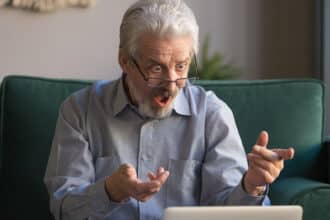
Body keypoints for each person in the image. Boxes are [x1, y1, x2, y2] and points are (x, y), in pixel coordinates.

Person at [44, 0, 295, 219]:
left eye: (181, 66)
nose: (171, 84)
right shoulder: (79, 111)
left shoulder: (212, 116)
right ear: (125, 62)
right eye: (155, 69)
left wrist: (251, 187)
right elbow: (63, 208)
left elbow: (227, 213)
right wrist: (110, 191)